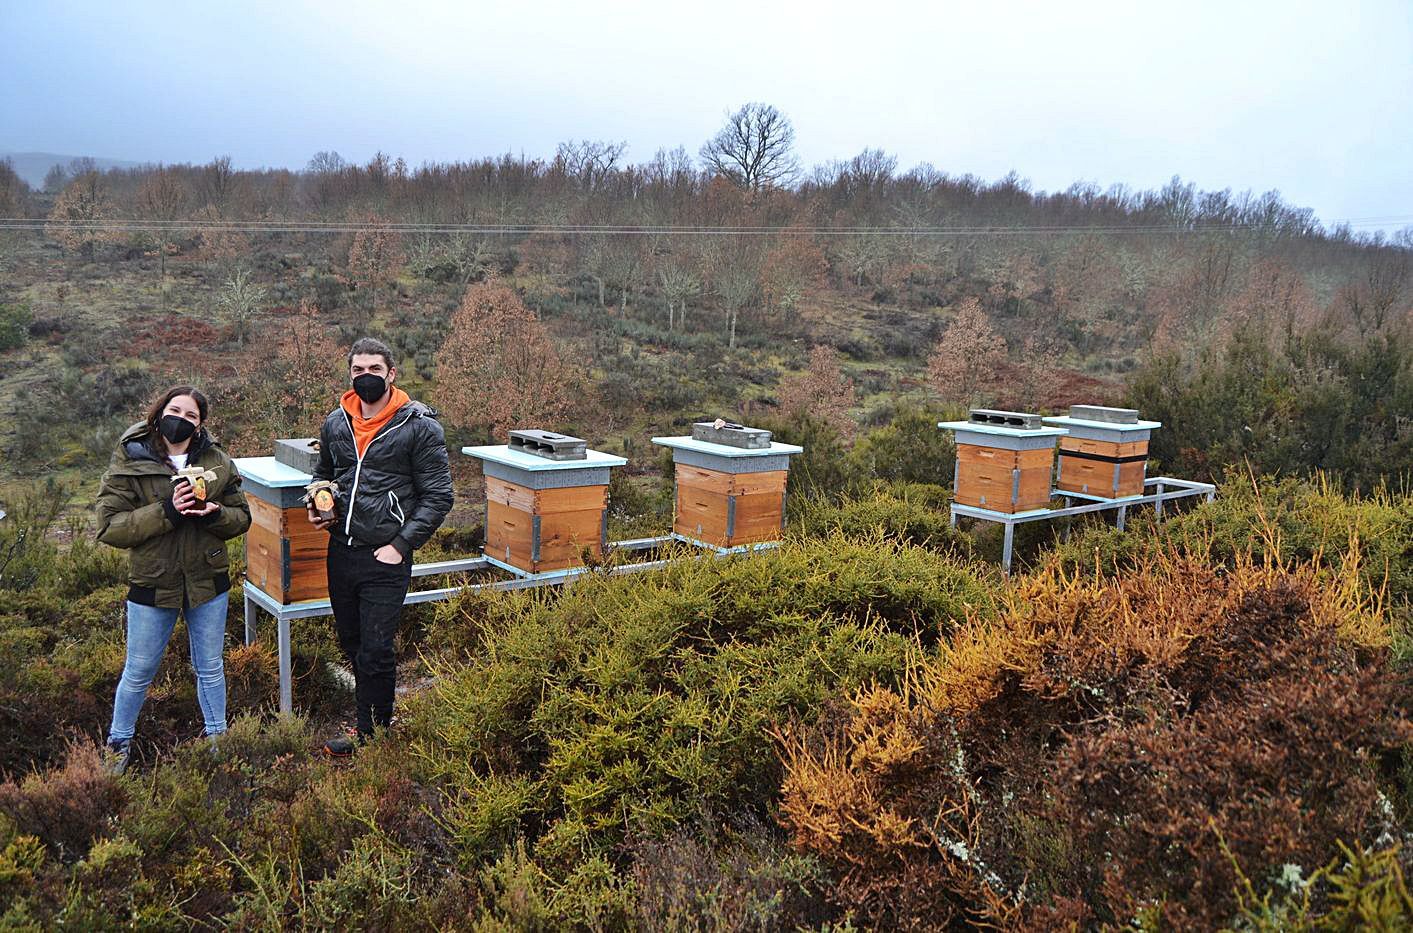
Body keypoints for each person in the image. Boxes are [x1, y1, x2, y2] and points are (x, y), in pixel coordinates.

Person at [309, 337, 453, 755]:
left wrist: (401, 544)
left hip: (384, 556)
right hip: (341, 549)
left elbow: (439, 496)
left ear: (391, 374)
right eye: (358, 370)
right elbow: (324, 474)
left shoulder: (419, 426)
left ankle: (373, 738)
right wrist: (320, 505)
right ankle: (368, 720)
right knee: (352, 641)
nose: (366, 376)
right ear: (350, 374)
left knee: (375, 648)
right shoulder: (336, 421)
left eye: (375, 369)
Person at [96, 385, 252, 774]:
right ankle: (118, 749)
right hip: (153, 582)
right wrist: (167, 510)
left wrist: (215, 513)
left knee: (211, 667)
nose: (181, 419)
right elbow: (110, 527)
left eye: (191, 416)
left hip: (207, 582)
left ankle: (220, 744)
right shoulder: (131, 458)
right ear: (159, 411)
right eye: (175, 410)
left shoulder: (216, 460)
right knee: (138, 670)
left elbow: (242, 518)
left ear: (200, 425)